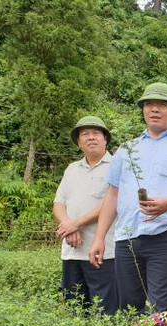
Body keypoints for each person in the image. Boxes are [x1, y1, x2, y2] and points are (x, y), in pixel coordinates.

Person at [89, 82, 167, 314]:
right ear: (143, 110)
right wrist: (99, 238)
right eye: (149, 104)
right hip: (126, 237)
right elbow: (112, 195)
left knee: (160, 308)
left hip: (166, 234)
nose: (154, 109)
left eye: (162, 104)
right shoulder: (127, 149)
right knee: (129, 306)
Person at [52, 116, 117, 315]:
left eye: (96, 133)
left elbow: (113, 202)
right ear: (79, 142)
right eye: (85, 134)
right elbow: (59, 203)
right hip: (72, 250)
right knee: (75, 308)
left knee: (104, 310)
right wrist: (67, 225)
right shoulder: (72, 169)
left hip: (104, 252)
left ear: (105, 139)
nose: (91, 138)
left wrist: (76, 224)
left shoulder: (116, 166)